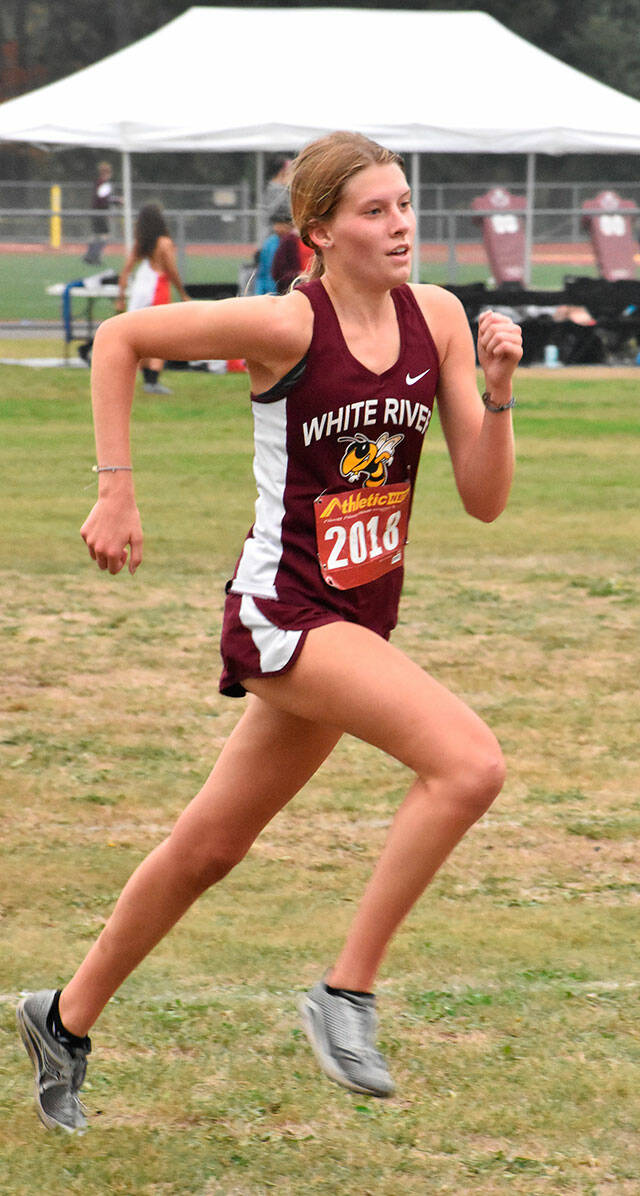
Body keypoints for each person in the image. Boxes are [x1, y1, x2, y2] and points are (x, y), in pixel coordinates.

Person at [17, 130, 522, 1133]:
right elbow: (119, 337)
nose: (400, 225)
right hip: (282, 610)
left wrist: (500, 393)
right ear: (319, 231)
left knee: (208, 845)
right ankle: (347, 992)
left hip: (357, 619)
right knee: (468, 764)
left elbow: (483, 498)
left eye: (405, 204)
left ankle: (60, 1018)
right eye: (375, 211)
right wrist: (115, 493)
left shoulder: (441, 320)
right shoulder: (288, 324)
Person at [116, 203, 189, 395]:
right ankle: (153, 380)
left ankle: (146, 378)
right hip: (158, 287)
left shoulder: (141, 244)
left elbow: (125, 271)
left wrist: (120, 297)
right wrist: (182, 292)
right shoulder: (164, 243)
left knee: (141, 334)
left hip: (141, 288)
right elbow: (172, 271)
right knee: (161, 335)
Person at [84, 161, 121, 266]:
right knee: (104, 235)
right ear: (107, 173)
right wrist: (118, 201)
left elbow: (102, 198)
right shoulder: (104, 184)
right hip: (100, 213)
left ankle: (89, 255)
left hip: (95, 212)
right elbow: (104, 199)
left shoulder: (98, 183)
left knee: (95, 234)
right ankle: (93, 256)